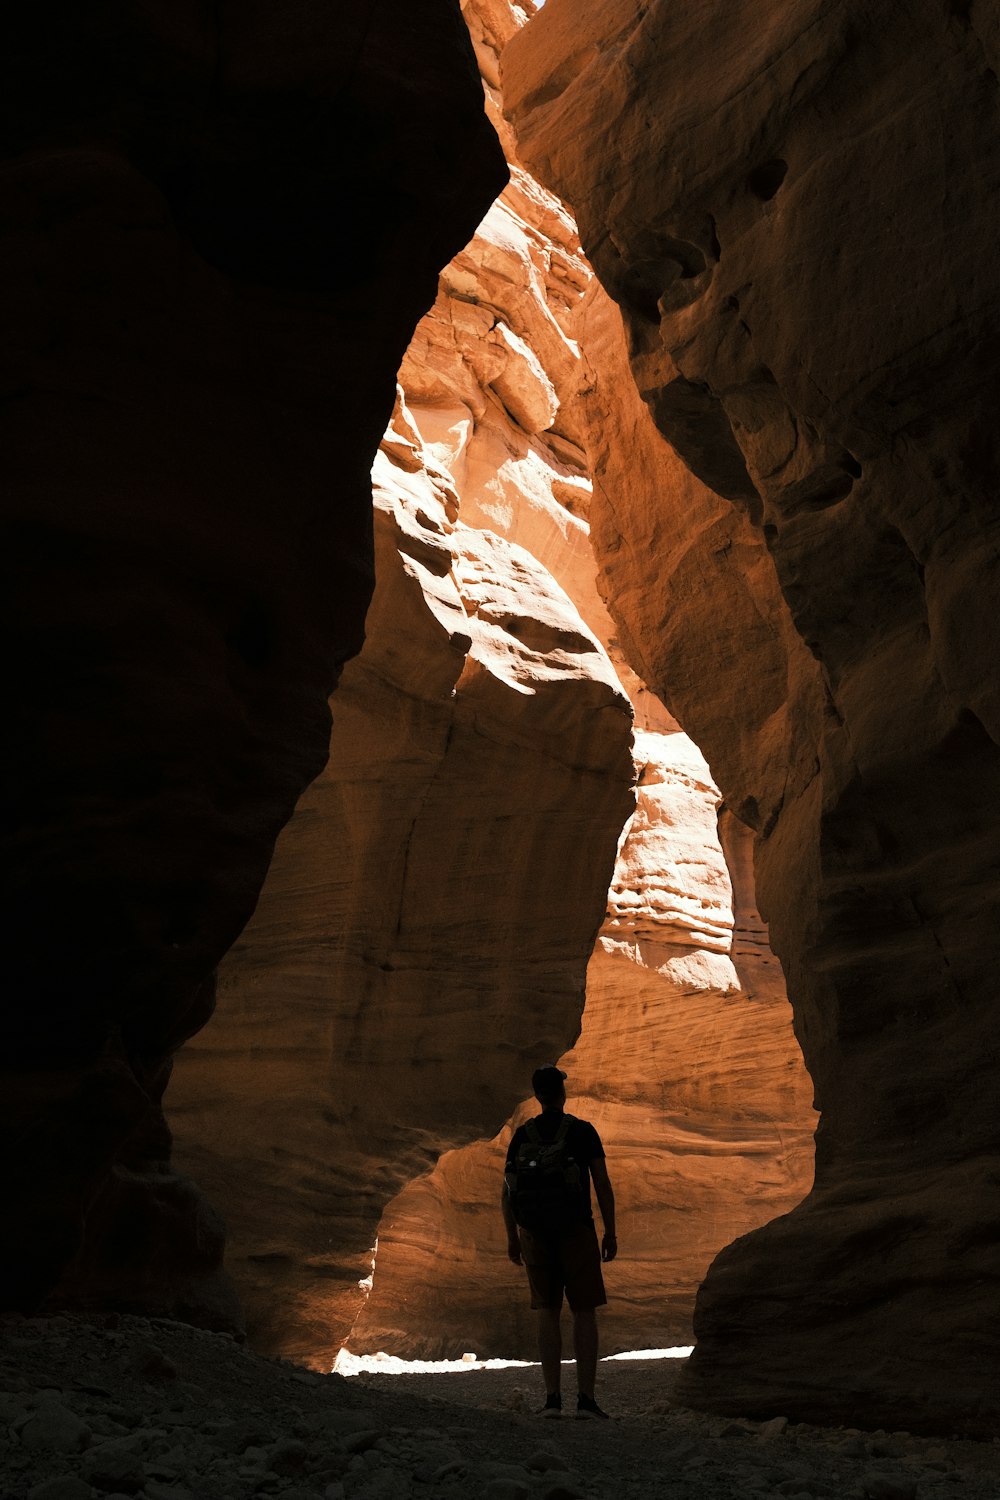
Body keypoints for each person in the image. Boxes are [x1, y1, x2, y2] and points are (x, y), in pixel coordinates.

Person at [502, 1064, 617, 1419]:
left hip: (535, 1234)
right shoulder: (582, 1132)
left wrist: (512, 1237)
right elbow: (601, 1182)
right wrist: (610, 1231)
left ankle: (552, 1400)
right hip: (576, 1232)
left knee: (548, 1313)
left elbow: (508, 1191)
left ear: (537, 1096)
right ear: (562, 1093)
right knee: (584, 1311)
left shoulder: (522, 1136)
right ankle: (586, 1400)